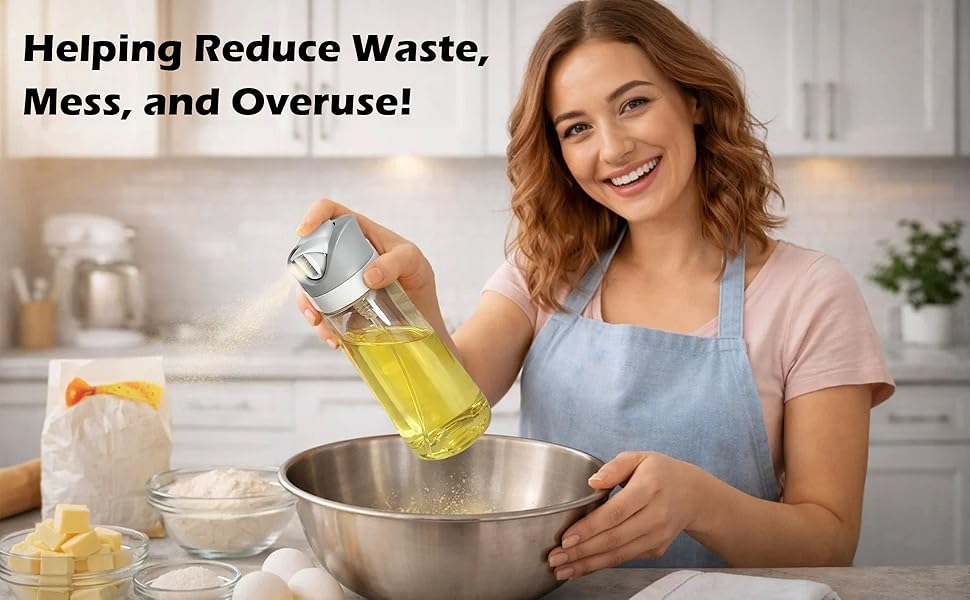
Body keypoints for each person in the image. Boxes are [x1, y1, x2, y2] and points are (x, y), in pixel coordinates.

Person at [295, 0, 894, 577]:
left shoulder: (811, 293)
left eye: (633, 103)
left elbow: (830, 540)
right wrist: (410, 296)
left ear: (694, 100)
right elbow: (452, 406)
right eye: (577, 127)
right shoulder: (548, 269)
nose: (612, 148)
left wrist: (699, 503)